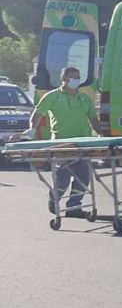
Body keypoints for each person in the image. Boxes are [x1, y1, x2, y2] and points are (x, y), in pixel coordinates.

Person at [23, 67, 102, 218]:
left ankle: (74, 207)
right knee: (62, 178)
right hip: (62, 145)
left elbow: (93, 118)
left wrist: (101, 134)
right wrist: (31, 130)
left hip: (83, 144)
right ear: (63, 79)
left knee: (83, 178)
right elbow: (38, 114)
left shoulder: (84, 98)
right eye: (73, 77)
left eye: (78, 77)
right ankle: (54, 197)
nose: (76, 80)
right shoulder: (52, 96)